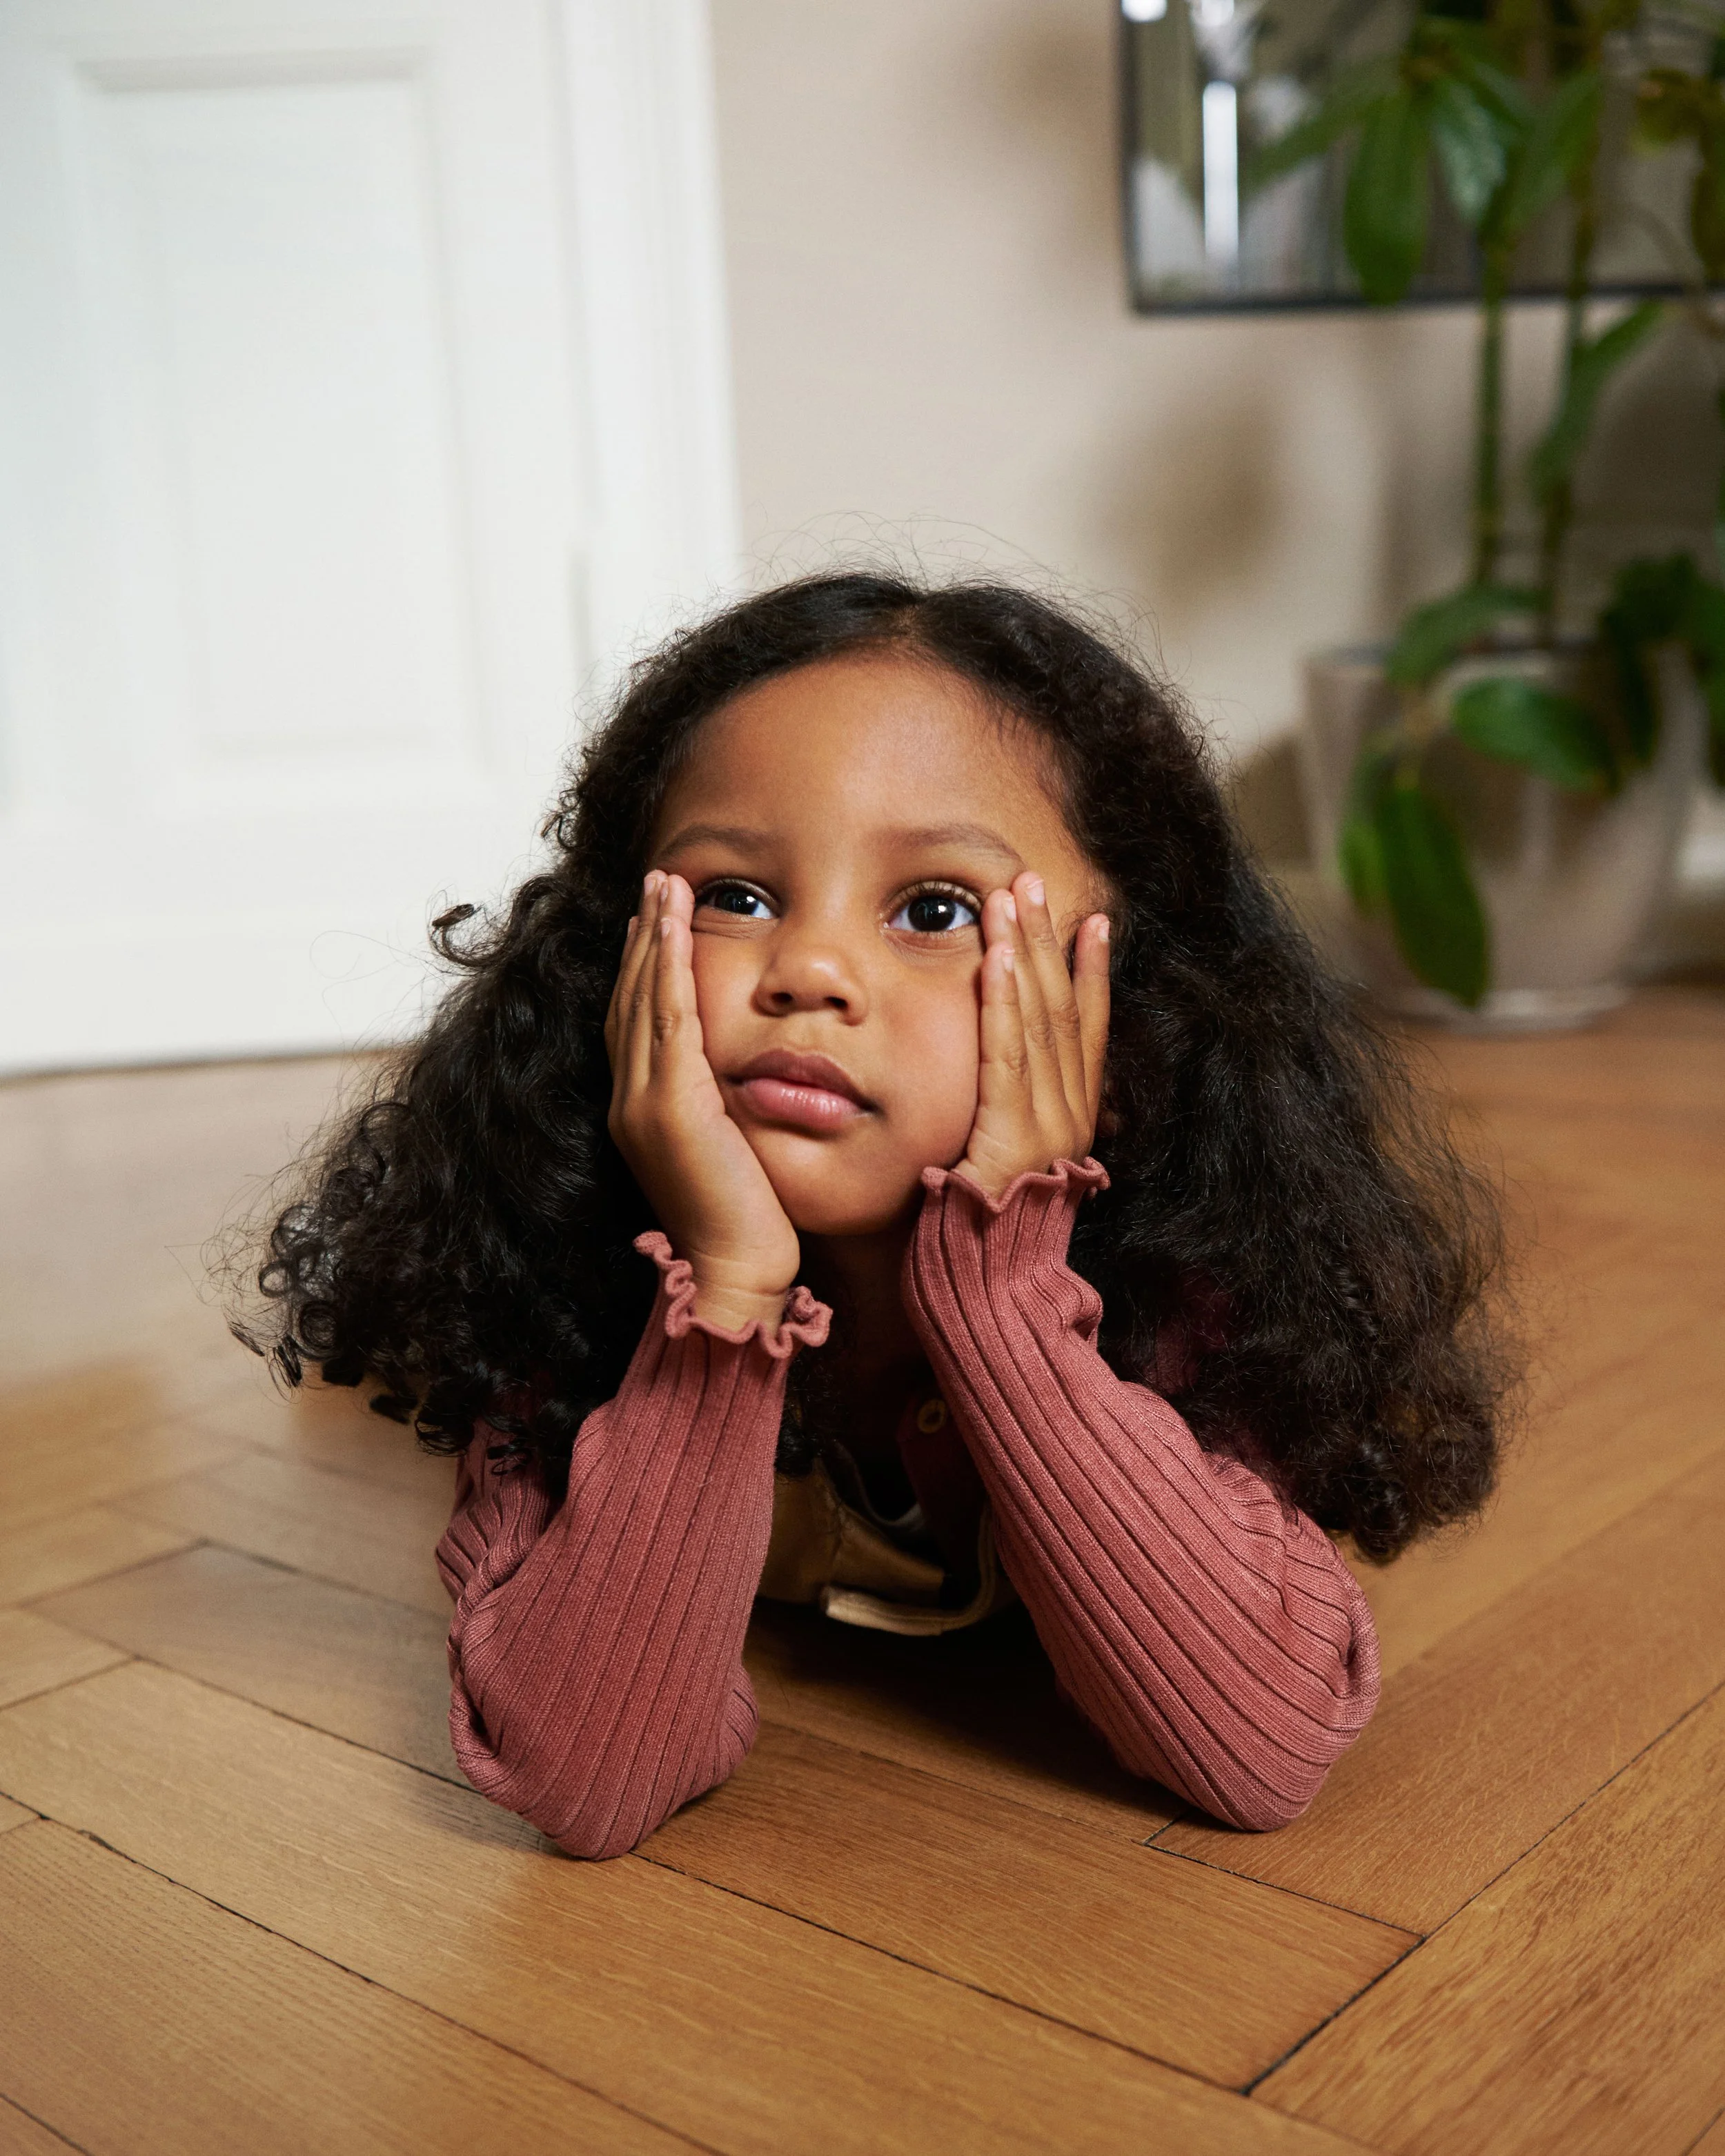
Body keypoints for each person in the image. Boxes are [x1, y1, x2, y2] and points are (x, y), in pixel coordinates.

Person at [245, 573, 1509, 1859]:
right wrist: (727, 1290)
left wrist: (1006, 1291)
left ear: (1124, 1035)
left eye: (936, 912)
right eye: (735, 898)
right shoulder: (563, 1290)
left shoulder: (1188, 1289)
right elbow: (590, 1779)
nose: (809, 972)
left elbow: (1260, 1749)